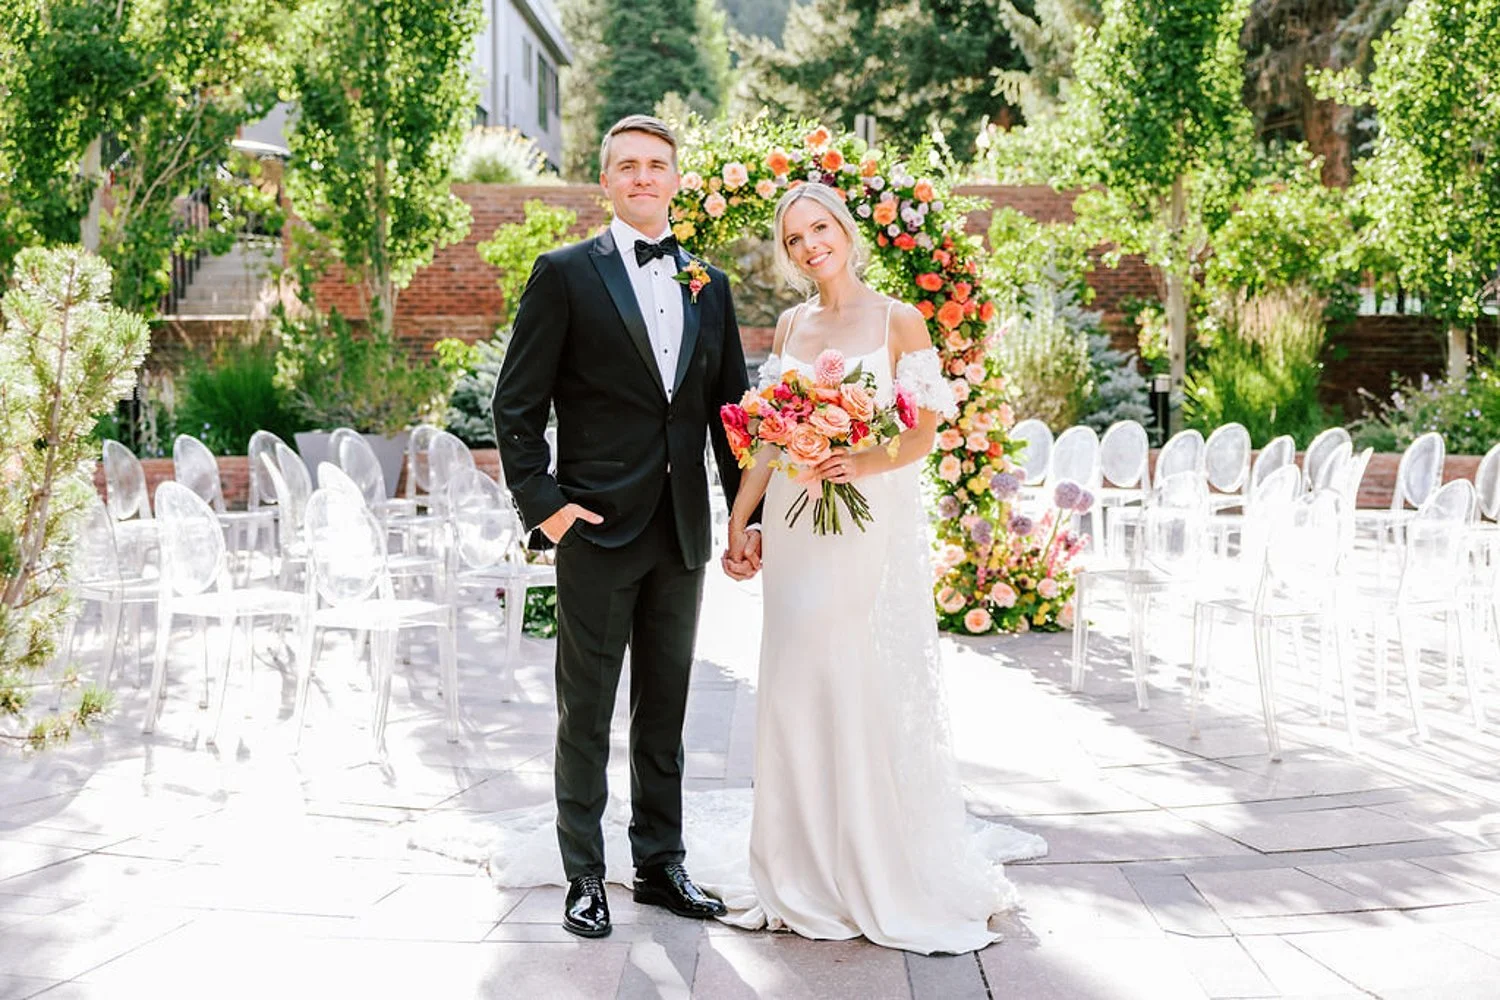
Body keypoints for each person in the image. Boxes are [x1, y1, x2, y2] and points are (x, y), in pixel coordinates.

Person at [715, 182, 1045, 954]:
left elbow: (923, 436)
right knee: (791, 672)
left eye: (819, 228)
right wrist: (739, 517)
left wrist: (855, 457)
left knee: (840, 665)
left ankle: (862, 860)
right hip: (794, 521)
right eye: (794, 238)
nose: (809, 247)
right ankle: (795, 865)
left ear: (845, 229)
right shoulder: (794, 322)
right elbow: (767, 435)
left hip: (859, 521)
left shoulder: (900, 318)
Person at [490, 114, 762, 940]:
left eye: (657, 165)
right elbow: (516, 403)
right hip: (596, 529)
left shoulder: (709, 283)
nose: (643, 177)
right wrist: (548, 508)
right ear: (605, 181)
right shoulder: (565, 274)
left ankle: (658, 863)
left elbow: (728, 416)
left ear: (677, 179)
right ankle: (583, 873)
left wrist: (744, 520)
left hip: (682, 529)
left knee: (666, 710)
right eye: (627, 166)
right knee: (586, 710)